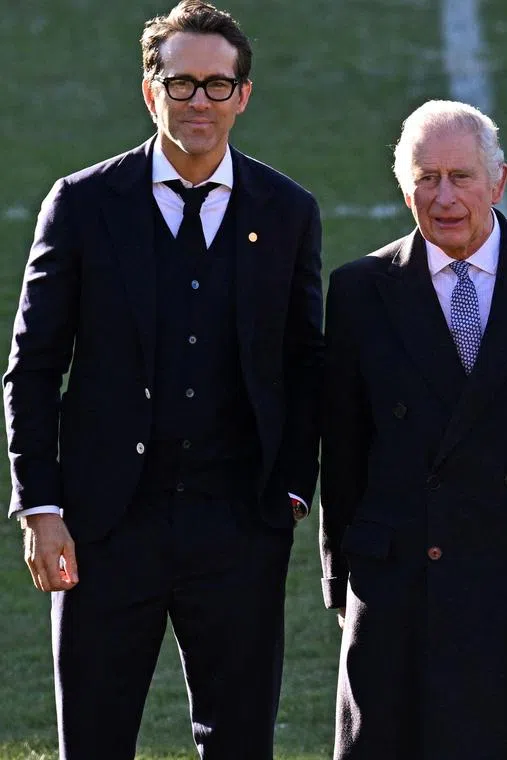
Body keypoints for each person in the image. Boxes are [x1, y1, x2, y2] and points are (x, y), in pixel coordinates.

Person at [3, 2, 323, 757]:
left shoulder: (287, 211)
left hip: (238, 525)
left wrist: (288, 491)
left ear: (244, 94)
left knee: (240, 742)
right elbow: (34, 365)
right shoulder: (81, 204)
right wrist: (40, 508)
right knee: (94, 740)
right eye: (182, 85)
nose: (200, 103)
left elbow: (305, 363)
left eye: (218, 85)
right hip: (103, 529)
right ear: (151, 91)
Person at [319, 99, 507, 759]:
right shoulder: (358, 292)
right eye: (427, 178)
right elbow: (342, 449)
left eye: (461, 176)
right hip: (400, 593)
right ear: (405, 191)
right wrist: (345, 576)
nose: (445, 196)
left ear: (499, 182)